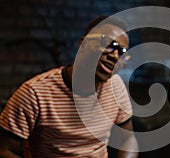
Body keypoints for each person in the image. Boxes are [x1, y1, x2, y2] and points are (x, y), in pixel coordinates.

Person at [0, 15, 138, 158]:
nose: (115, 55)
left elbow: (128, 138)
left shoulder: (116, 86)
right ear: (83, 44)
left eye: (122, 52)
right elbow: (5, 150)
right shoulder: (34, 93)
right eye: (107, 43)